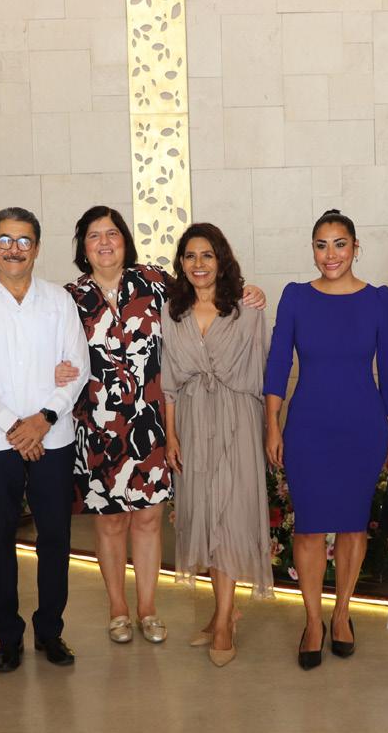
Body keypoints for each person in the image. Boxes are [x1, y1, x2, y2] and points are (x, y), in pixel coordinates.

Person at [57, 206, 265, 646]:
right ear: (83, 246)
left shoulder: (153, 283)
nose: (104, 242)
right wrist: (53, 370)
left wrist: (250, 293)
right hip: (98, 426)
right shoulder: (69, 298)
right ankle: (118, 609)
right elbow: (51, 348)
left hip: (152, 423)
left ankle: (148, 609)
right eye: (94, 235)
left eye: (112, 233)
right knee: (110, 523)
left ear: (125, 240)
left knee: (149, 520)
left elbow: (205, 287)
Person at [0, 207, 90, 673]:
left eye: (24, 240)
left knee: (55, 536)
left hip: (53, 436)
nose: (15, 249)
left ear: (37, 247)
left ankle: (50, 630)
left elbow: (78, 366)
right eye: (5, 240)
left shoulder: (58, 300)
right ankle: (7, 636)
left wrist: (44, 419)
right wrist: (15, 426)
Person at [264, 209, 388, 670]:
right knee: (307, 527)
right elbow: (278, 361)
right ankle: (312, 621)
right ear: (312, 249)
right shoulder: (296, 297)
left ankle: (342, 613)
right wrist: (272, 424)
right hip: (308, 426)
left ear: (356, 247)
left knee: (352, 525)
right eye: (321, 245)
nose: (331, 254)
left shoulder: (378, 299)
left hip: (363, 426)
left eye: (340, 244)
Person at [161, 223, 274, 667]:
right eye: (190, 256)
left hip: (236, 421)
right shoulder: (173, 312)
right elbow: (169, 383)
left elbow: (265, 371)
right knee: (205, 515)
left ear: (221, 259)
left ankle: (225, 622)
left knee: (228, 515)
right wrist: (171, 435)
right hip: (191, 422)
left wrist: (269, 427)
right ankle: (223, 610)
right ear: (181, 263)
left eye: (207, 255)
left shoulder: (247, 309)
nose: (199, 264)